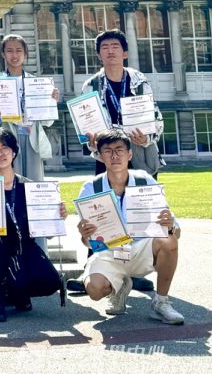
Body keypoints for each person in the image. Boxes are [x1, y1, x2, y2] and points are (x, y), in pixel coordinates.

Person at [77, 128, 184, 325]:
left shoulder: (145, 181)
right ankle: (120, 287)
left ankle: (161, 302)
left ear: (130, 154)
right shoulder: (91, 187)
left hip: (141, 249)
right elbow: (88, 243)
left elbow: (175, 230)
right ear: (100, 156)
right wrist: (85, 235)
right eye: (108, 151)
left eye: (119, 150)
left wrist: (170, 226)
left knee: (169, 240)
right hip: (110, 252)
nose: (114, 156)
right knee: (94, 290)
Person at [0, 129, 64, 323]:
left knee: (51, 281)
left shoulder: (31, 187)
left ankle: (15, 293)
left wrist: (56, 217)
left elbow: (48, 233)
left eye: (5, 148)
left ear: (14, 152)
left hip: (23, 247)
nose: (0, 153)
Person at [82, 30, 163, 177]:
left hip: (138, 152)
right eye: (105, 47)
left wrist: (146, 138)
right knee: (107, 192)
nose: (110, 51)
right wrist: (91, 142)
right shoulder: (90, 86)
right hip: (106, 156)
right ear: (99, 55)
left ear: (125, 53)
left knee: (143, 192)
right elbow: (86, 125)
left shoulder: (139, 81)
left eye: (115, 46)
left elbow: (155, 117)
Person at [0, 33, 58, 181]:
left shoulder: (37, 83)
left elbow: (47, 121)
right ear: (3, 54)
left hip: (31, 136)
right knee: (9, 181)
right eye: (9, 51)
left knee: (33, 182)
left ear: (25, 53)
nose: (14, 55)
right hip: (8, 136)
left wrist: (51, 102)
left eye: (19, 50)